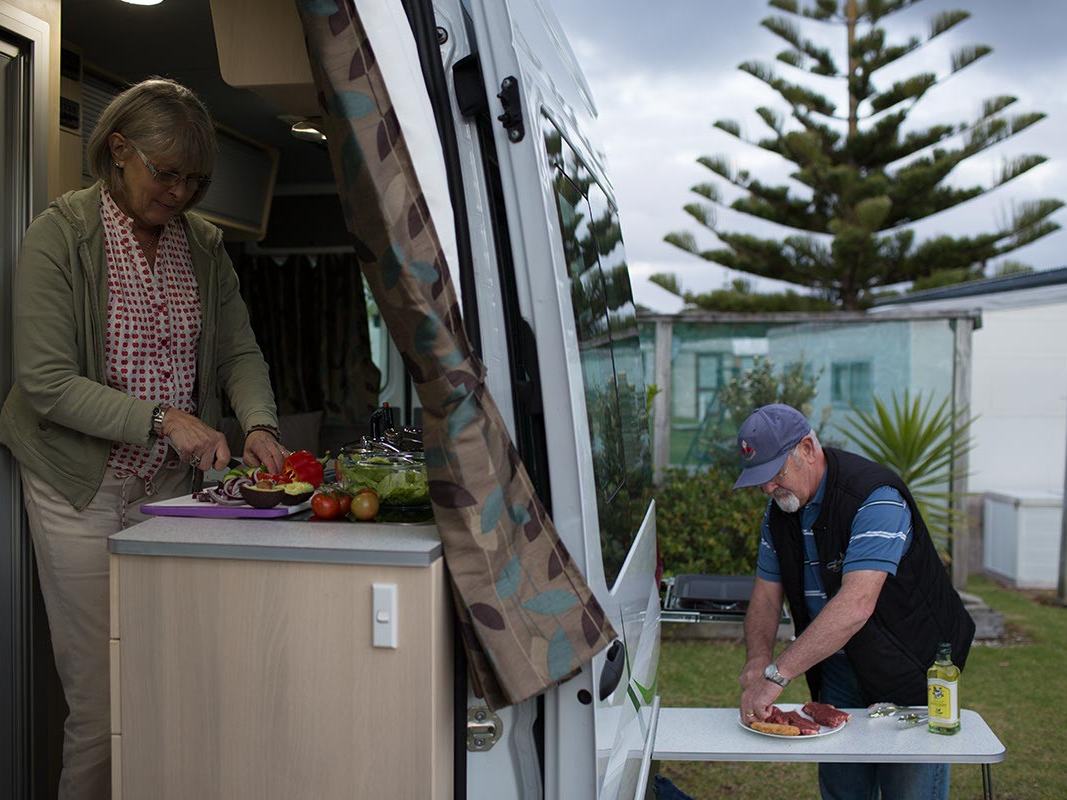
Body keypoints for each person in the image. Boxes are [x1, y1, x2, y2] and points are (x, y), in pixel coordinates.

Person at [0, 78, 287, 800]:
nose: (181, 192)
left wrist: (257, 424)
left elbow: (238, 353)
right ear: (119, 150)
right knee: (101, 705)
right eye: (166, 173)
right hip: (80, 487)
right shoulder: (58, 238)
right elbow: (46, 381)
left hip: (167, 488)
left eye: (194, 179)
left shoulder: (204, 245)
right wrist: (163, 419)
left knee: (168, 684)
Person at [733, 403, 975, 800]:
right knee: (844, 790)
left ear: (808, 449)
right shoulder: (778, 513)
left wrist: (776, 675)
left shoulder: (875, 497)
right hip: (838, 668)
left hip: (909, 666)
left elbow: (856, 604)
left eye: (775, 474)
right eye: (759, 481)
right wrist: (758, 659)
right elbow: (765, 595)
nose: (767, 489)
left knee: (910, 791)